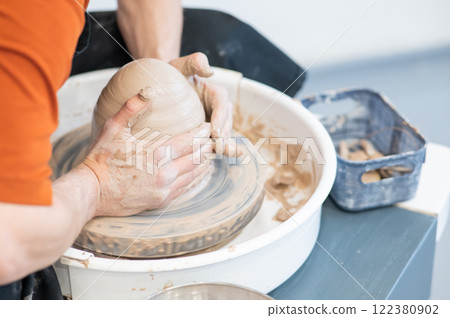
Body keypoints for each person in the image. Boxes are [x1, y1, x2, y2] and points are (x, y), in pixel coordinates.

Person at [0, 0, 306, 299]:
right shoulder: (33, 17)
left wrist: (165, 78)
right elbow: (10, 242)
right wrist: (96, 186)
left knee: (219, 36)